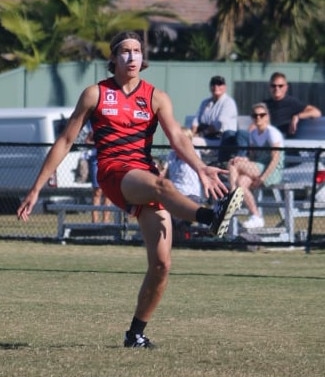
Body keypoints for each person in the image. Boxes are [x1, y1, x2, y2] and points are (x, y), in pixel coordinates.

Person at [17, 31, 243, 349]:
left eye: (137, 50)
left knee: (162, 264)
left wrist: (201, 167)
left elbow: (179, 138)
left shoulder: (156, 97)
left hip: (143, 175)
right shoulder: (95, 94)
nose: (132, 56)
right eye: (125, 51)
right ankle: (210, 215)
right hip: (113, 173)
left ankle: (135, 333)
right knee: (164, 185)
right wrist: (36, 188)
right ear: (113, 58)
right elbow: (65, 141)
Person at [228, 103, 284, 229]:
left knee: (233, 164)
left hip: (271, 170)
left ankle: (231, 196)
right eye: (255, 115)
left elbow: (275, 159)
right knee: (241, 182)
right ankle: (256, 216)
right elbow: (252, 157)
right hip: (257, 167)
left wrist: (263, 177)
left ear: (267, 117)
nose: (258, 118)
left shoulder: (272, 133)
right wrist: (243, 159)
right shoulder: (253, 134)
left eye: (261, 115)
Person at [191, 75, 248, 163]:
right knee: (186, 139)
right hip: (205, 137)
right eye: (213, 84)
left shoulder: (228, 102)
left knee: (191, 142)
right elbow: (196, 121)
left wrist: (200, 134)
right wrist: (191, 134)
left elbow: (218, 125)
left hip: (221, 140)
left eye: (219, 84)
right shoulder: (205, 102)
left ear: (225, 87)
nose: (216, 87)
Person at [162, 127, 203, 241]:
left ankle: (184, 237)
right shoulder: (171, 155)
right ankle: (177, 238)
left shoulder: (194, 153)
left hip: (191, 195)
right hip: (175, 194)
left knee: (178, 216)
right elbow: (163, 173)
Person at [264, 72, 321, 137]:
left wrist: (297, 116)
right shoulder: (264, 105)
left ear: (286, 87)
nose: (277, 89)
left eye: (280, 86)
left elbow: (316, 112)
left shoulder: (292, 103)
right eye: (273, 86)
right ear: (269, 87)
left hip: (287, 142)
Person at [85, 129, 112, 223]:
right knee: (97, 191)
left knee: (108, 192)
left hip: (109, 160)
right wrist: (98, 143)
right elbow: (87, 141)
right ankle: (95, 221)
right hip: (96, 160)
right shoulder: (95, 128)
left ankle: (106, 220)